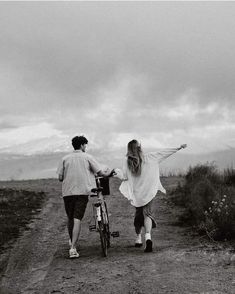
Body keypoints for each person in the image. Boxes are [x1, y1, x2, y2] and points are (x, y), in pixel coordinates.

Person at [114, 140, 187, 253]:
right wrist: (178, 147)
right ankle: (148, 237)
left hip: (137, 194)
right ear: (140, 148)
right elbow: (164, 153)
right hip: (148, 193)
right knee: (147, 214)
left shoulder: (128, 162)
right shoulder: (150, 157)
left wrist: (116, 172)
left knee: (138, 215)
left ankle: (138, 238)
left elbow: (124, 176)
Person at [57, 135, 113, 258]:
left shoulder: (65, 159)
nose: (85, 147)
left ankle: (72, 241)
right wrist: (110, 173)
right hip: (82, 192)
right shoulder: (88, 157)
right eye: (85, 145)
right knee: (77, 218)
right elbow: (100, 173)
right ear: (82, 145)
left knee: (70, 217)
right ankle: (72, 249)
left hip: (67, 192)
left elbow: (60, 178)